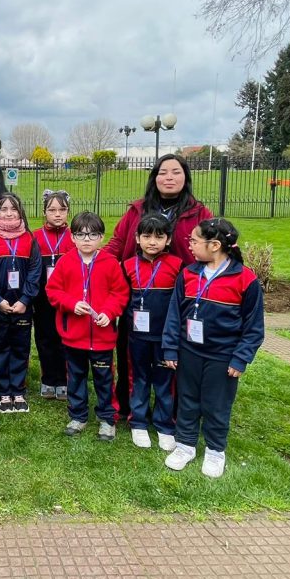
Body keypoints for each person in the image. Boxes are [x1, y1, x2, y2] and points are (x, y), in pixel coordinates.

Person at [105, 154, 214, 417]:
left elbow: (212, 249)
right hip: (137, 296)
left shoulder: (199, 213)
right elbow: (117, 245)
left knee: (174, 356)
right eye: (163, 172)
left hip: (179, 298)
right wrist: (94, 266)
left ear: (185, 177)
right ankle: (131, 409)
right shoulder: (137, 209)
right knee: (132, 355)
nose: (169, 177)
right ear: (154, 178)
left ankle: (172, 412)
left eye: (176, 172)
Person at [162, 218, 264, 477]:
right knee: (187, 400)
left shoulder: (245, 280)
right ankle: (185, 445)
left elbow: (254, 328)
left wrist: (240, 358)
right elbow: (174, 314)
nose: (190, 246)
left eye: (194, 241)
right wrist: (171, 349)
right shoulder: (188, 274)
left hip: (222, 357)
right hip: (190, 352)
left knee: (216, 405)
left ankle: (215, 451)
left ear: (215, 245)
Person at [45, 211, 130, 441]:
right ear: (72, 237)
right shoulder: (66, 261)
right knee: (76, 377)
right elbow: (53, 291)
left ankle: (106, 419)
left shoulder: (111, 263)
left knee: (104, 379)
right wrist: (71, 304)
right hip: (73, 336)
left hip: (102, 337)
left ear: (101, 237)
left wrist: (109, 312)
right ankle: (78, 415)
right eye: (81, 235)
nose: (86, 240)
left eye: (93, 235)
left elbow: (120, 293)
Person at [122, 214, 182, 451]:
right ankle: (138, 422)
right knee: (139, 379)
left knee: (165, 381)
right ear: (137, 238)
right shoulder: (127, 265)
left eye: (159, 237)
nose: (152, 242)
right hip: (137, 337)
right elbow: (122, 299)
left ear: (168, 240)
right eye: (146, 236)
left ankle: (164, 425)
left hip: (165, 338)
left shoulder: (177, 266)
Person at [0, 193, 42, 414]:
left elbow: (35, 271)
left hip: (22, 306)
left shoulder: (30, 240)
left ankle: (18, 389)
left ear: (20, 211)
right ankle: (3, 391)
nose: (8, 213)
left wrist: (25, 299)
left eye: (13, 209)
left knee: (20, 348)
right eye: (3, 209)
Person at [32, 190, 74, 400]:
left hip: (67, 298)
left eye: (62, 210)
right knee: (45, 337)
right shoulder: (36, 237)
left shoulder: (74, 236)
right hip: (43, 298)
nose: (57, 214)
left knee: (64, 338)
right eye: (52, 210)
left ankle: (64, 380)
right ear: (44, 212)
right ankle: (48, 378)